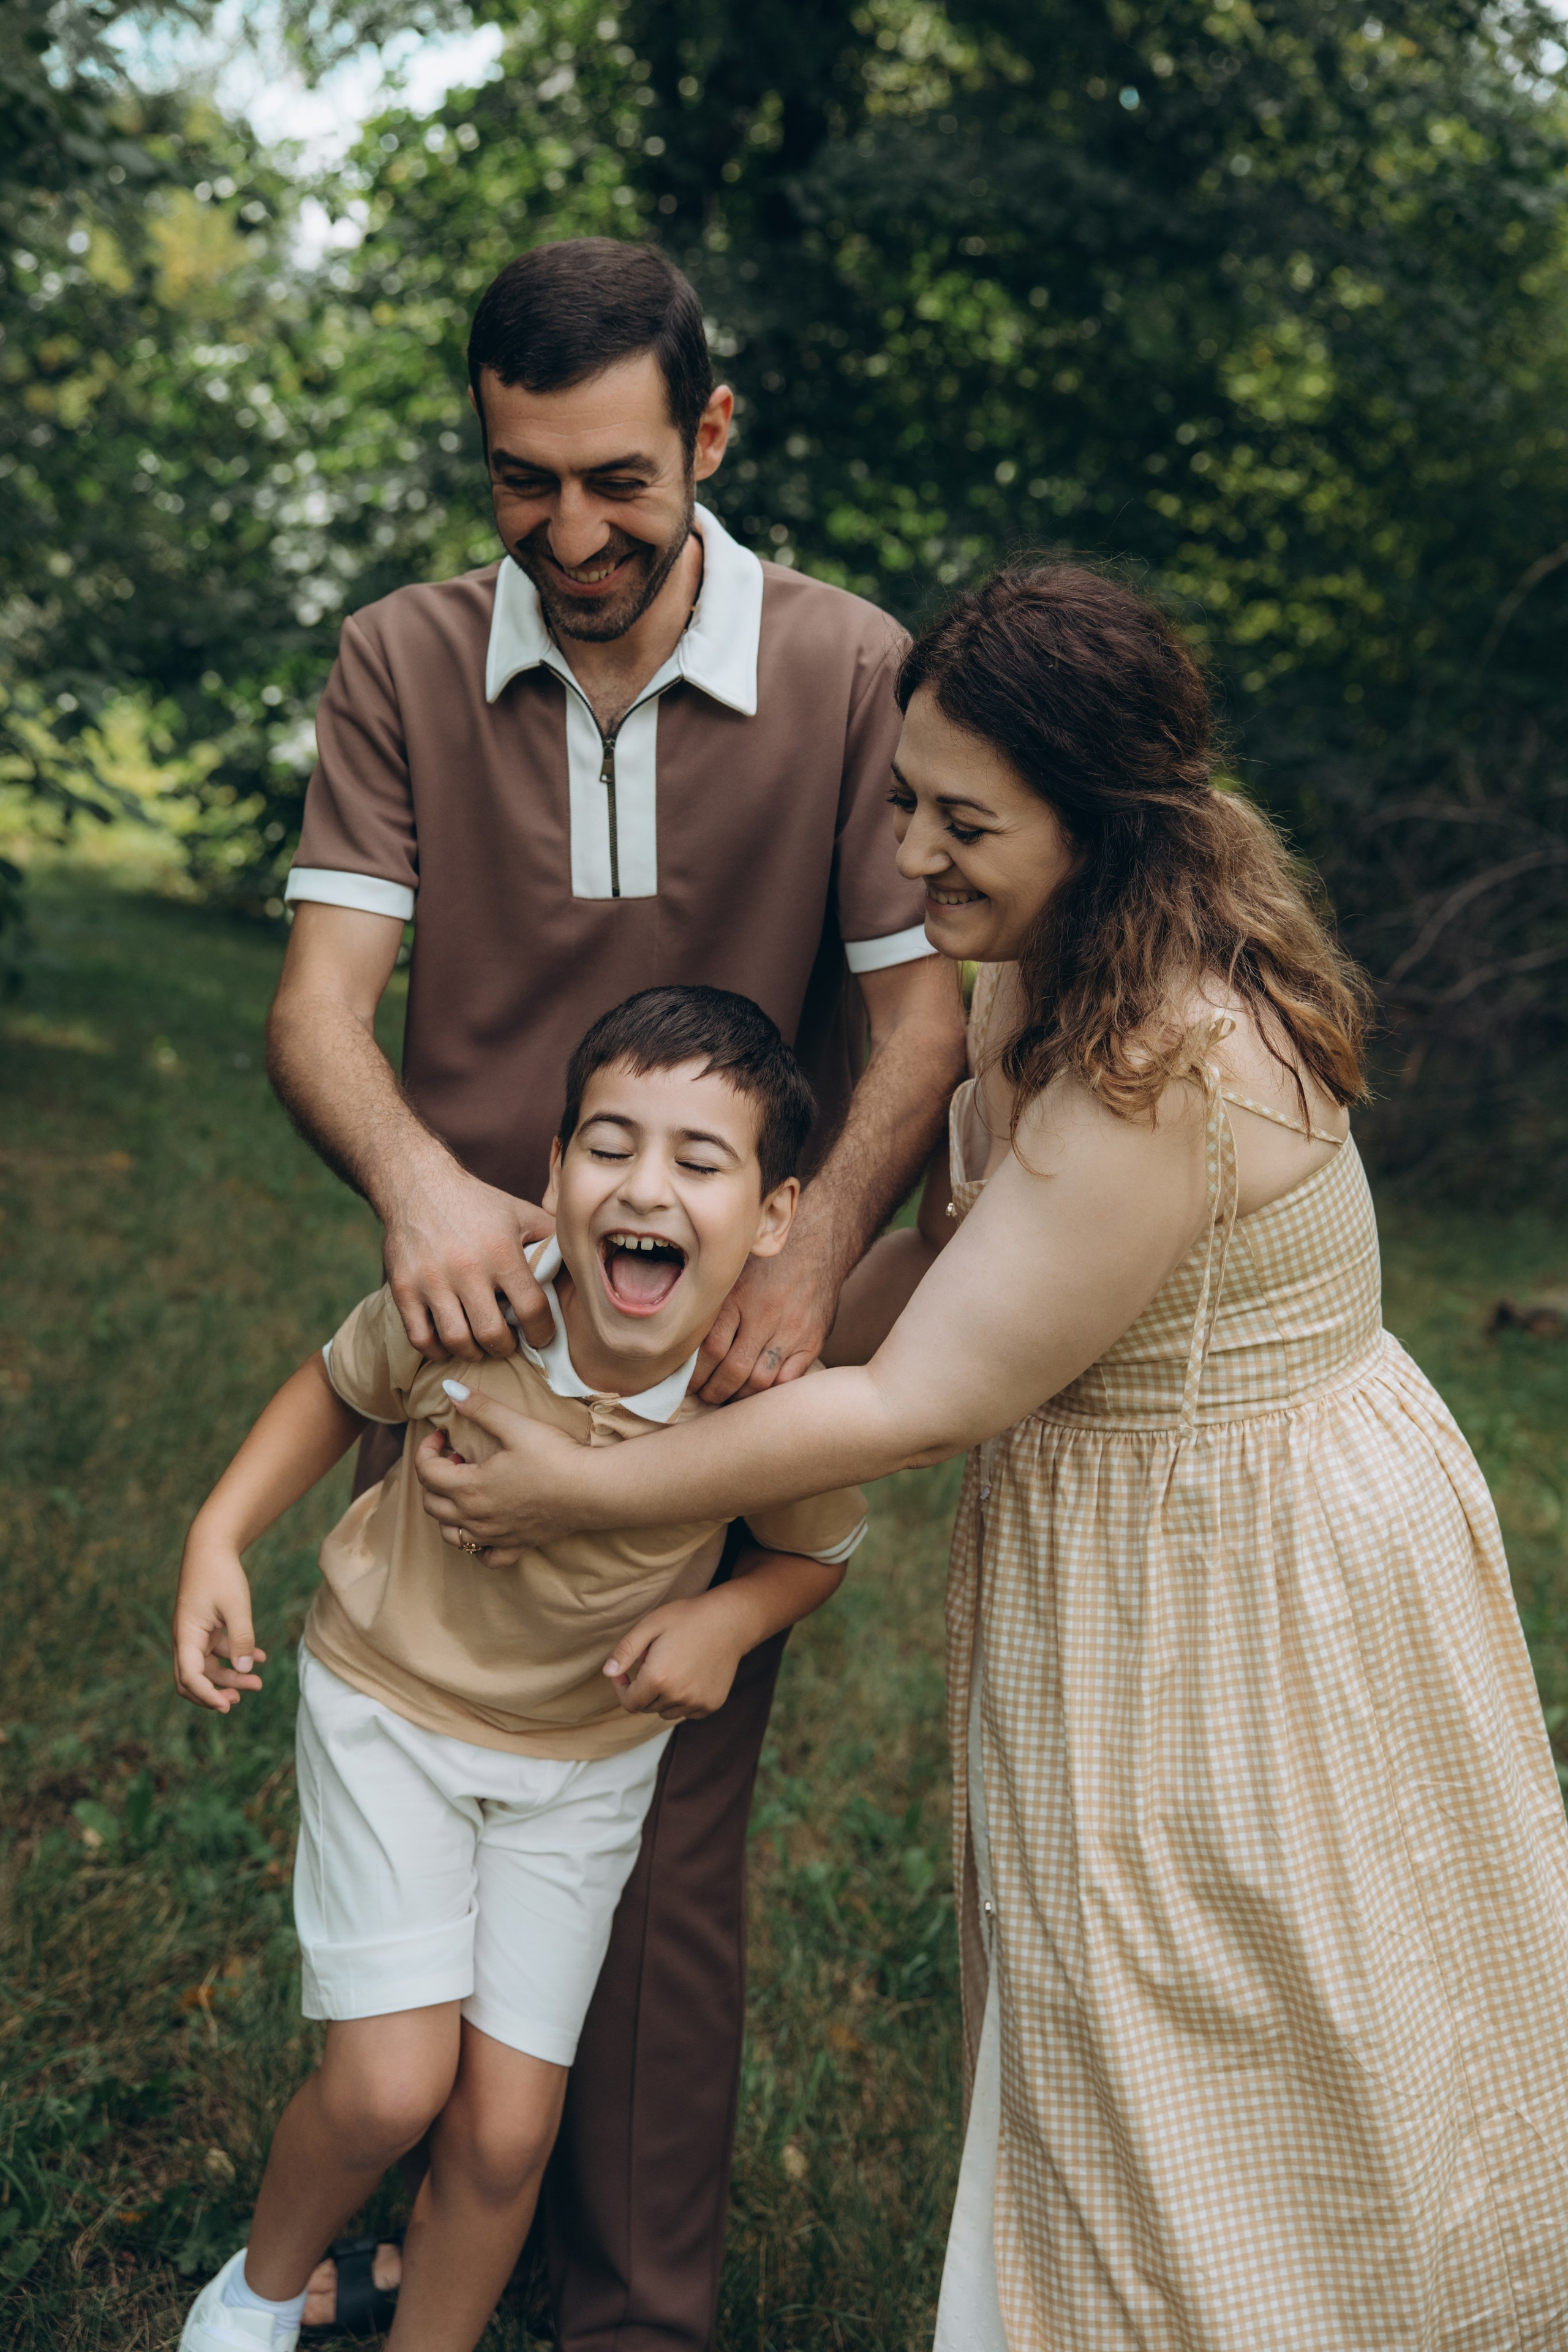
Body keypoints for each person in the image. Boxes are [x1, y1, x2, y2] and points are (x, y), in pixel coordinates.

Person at [417, 565, 1568, 2351]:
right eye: (905, 804)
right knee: (1115, 1991)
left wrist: (584, 1486)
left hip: (1252, 1569)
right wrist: (706, 1357)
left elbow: (918, 1402)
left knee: (1238, 1994)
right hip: (1139, 1533)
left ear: (1102, 819)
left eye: (964, 822)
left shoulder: (1166, 1056)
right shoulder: (1047, 970)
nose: (911, 856)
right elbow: (949, 1265)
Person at [266, 237, 965, 2337]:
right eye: (522, 479)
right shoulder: (400, 663)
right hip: (474, 1342)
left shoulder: (849, 670)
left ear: (710, 436)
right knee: (435, 1768)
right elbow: (319, 1006)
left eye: (617, 482)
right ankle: (425, 2218)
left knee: (658, 1839)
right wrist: (418, 1187)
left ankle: (630, 2311)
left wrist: (812, 1259)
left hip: (719, 1347)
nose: (570, 534)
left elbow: (924, 1020)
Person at [173, 986, 869, 2352]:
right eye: (608, 1146)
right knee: (388, 2090)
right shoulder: (478, 1301)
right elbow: (339, 1386)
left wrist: (731, 1620)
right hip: (391, 1713)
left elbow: (818, 1548)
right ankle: (252, 2302)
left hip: (583, 1773)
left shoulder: (754, 1403)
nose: (644, 1187)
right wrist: (218, 1534)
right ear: (552, 1172)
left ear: (775, 1216)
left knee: (503, 2136)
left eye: (699, 1161)